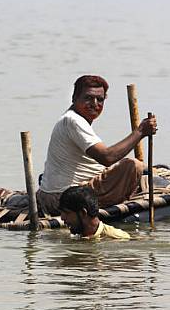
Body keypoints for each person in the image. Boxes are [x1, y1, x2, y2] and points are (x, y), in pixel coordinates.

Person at [37, 75, 157, 216]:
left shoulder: (74, 120)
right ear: (74, 98)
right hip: (66, 199)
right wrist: (140, 131)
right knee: (133, 166)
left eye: (100, 99)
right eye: (88, 98)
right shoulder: (73, 121)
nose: (94, 104)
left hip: (59, 194)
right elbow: (107, 157)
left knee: (140, 168)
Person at [59, 185, 131, 240]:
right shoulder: (72, 236)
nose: (62, 218)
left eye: (67, 213)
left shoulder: (118, 238)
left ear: (83, 213)